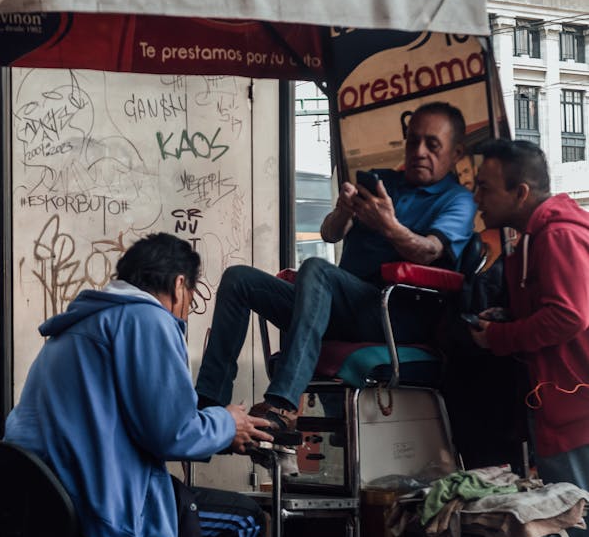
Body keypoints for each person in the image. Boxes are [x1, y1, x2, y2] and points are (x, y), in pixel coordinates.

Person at [4, 232, 295, 537]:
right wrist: (230, 421)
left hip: (44, 507)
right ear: (180, 285)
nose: (185, 313)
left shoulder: (80, 324)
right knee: (245, 521)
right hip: (96, 510)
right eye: (189, 300)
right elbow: (170, 433)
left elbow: (127, 425)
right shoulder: (146, 319)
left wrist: (217, 429)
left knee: (179, 500)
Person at [196, 101, 476, 433]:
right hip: (339, 307)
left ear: (456, 152)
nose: (419, 151)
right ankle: (210, 406)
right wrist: (344, 210)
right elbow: (329, 233)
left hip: (393, 315)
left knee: (317, 268)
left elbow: (429, 251)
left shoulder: (458, 200)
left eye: (432, 144)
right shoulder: (384, 182)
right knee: (239, 278)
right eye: (413, 140)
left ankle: (283, 404)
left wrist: (389, 226)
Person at [469, 138, 589, 537]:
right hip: (560, 407)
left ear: (520, 193)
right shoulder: (529, 238)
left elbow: (570, 316)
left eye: (485, 187)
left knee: (582, 532)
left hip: (576, 407)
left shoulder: (557, 234)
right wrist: (507, 317)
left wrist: (501, 338)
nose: (476, 197)